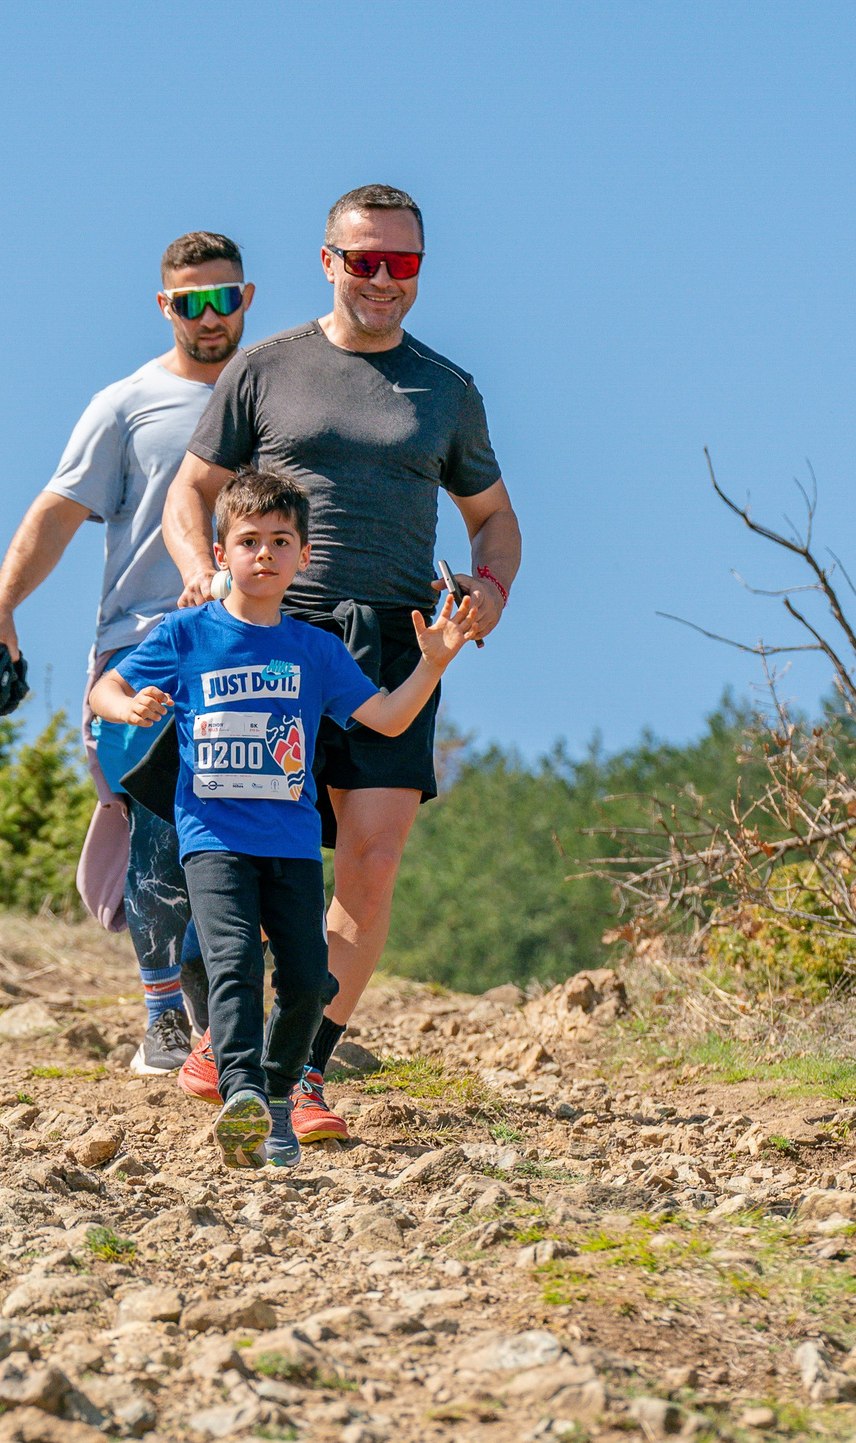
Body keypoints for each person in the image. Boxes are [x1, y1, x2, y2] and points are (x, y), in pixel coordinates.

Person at [160, 183, 522, 1140]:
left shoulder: (448, 389)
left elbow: (495, 521)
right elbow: (189, 493)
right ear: (329, 262)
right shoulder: (267, 368)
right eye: (364, 260)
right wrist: (202, 574)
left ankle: (303, 1069)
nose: (382, 279)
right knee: (241, 851)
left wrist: (489, 592)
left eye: (401, 263)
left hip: (396, 639)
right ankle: (221, 1032)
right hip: (278, 632)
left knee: (370, 861)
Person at [89, 469, 475, 1168]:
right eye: (248, 541)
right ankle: (240, 1089)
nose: (263, 554)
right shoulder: (187, 636)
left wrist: (433, 665)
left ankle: (270, 1096)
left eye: (280, 541)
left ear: (302, 556)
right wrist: (129, 708)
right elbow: (105, 689)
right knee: (235, 962)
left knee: (305, 981)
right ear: (220, 553)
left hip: (293, 846)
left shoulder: (316, 650)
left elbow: (386, 720)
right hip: (212, 840)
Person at [0, 231, 256, 1073]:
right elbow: (57, 513)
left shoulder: (277, 395)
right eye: (190, 302)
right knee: (161, 831)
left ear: (247, 297)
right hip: (145, 651)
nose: (210, 316)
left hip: (252, 650)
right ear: (166, 307)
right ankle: (165, 1015)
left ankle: (228, 1032)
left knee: (247, 839)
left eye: (225, 297)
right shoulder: (127, 405)